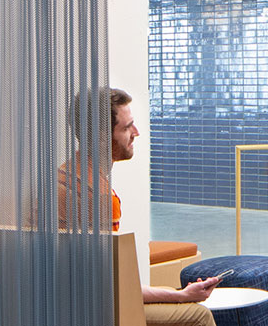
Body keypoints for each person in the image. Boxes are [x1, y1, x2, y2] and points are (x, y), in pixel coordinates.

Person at [60, 87, 222, 326]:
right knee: (198, 315)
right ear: (103, 136)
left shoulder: (65, 173)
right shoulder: (99, 196)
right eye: (127, 127)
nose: (136, 133)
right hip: (93, 309)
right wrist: (180, 296)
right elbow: (113, 289)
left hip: (67, 300)